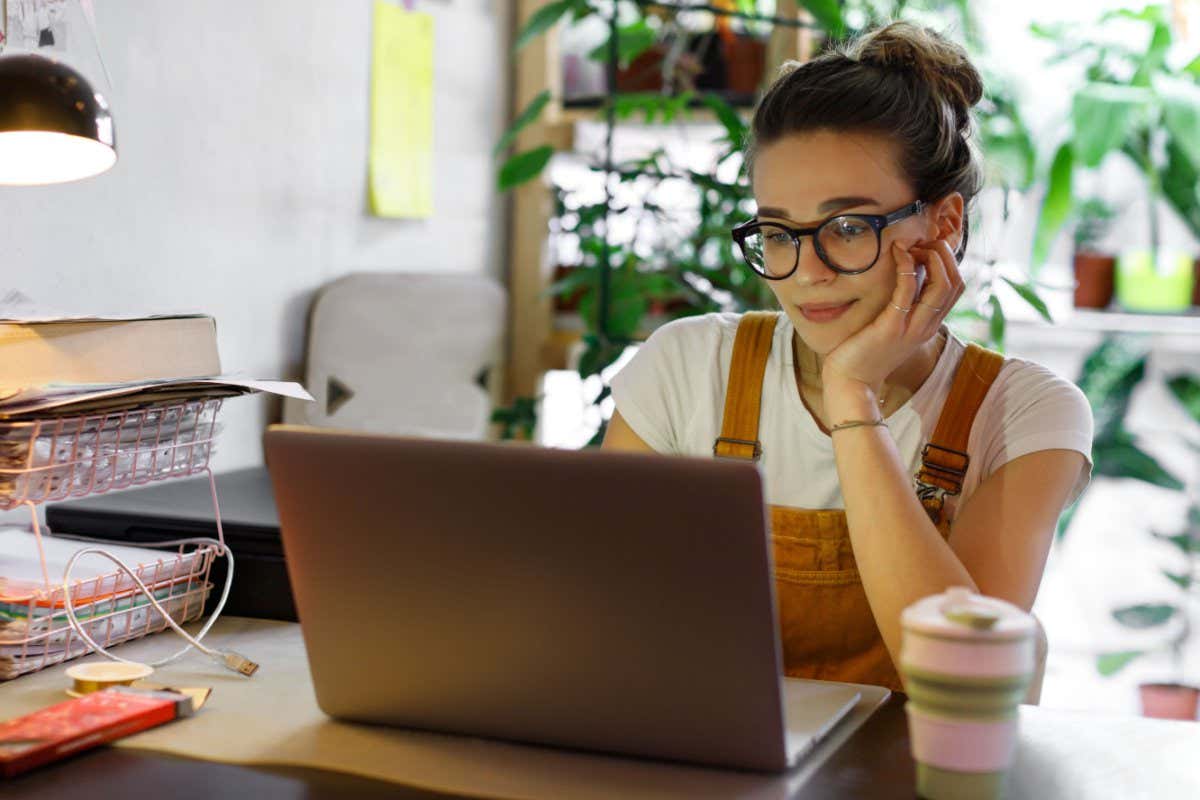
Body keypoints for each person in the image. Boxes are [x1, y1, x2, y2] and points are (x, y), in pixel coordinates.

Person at [602, 22, 1094, 692]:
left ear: (943, 224)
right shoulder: (689, 366)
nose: (806, 271)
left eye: (847, 228)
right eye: (778, 232)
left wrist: (853, 398)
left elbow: (967, 678)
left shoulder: (1025, 414)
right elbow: (605, 621)